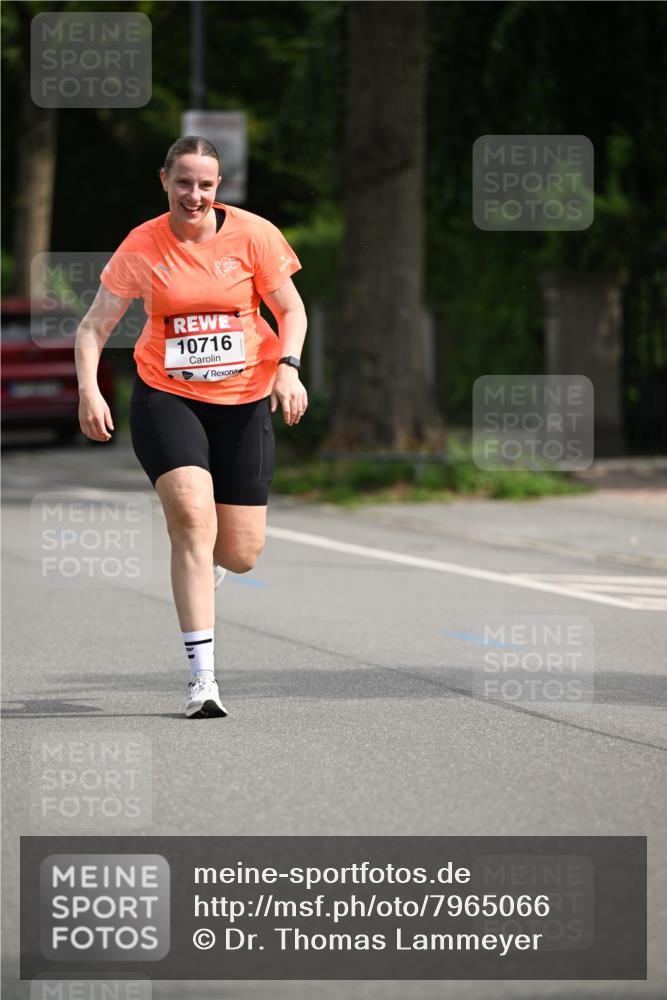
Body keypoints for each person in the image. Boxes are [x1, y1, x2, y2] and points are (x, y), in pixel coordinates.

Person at [74, 135, 307, 718]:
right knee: (191, 520)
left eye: (205, 184)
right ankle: (203, 680)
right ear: (164, 181)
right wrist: (88, 390)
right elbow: (93, 327)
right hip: (167, 395)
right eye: (183, 182)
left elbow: (292, 310)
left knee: (242, 551)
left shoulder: (255, 236)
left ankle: (208, 564)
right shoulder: (143, 245)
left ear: (218, 187)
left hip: (245, 398)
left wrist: (290, 368)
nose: (194, 194)